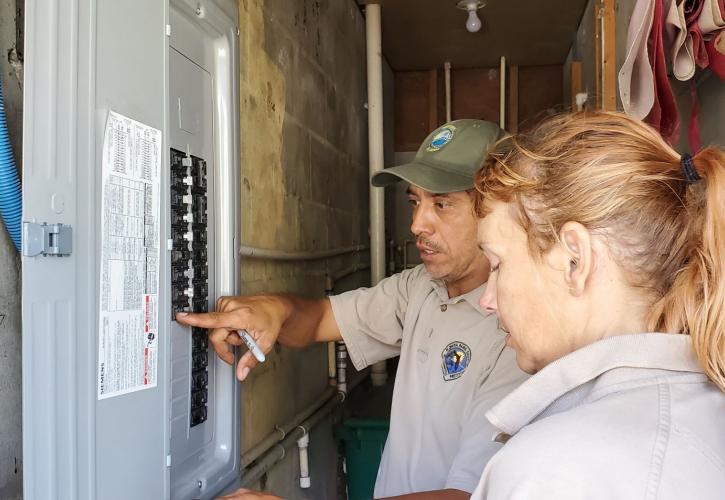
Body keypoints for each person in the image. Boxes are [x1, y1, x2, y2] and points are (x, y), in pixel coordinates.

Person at [178, 119, 528, 499]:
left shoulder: (519, 336)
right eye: (415, 202)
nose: (416, 225)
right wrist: (272, 310)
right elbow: (320, 321)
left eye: (441, 204)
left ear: (499, 210)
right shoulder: (419, 288)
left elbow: (472, 496)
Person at [470, 111, 725, 499]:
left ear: (574, 260)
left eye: (497, 265)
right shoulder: (700, 411)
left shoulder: (550, 473)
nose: (487, 301)